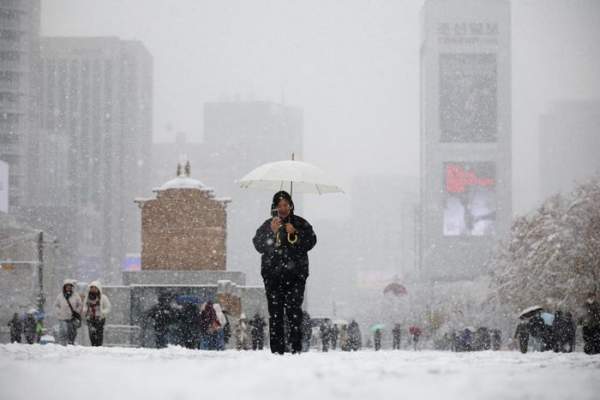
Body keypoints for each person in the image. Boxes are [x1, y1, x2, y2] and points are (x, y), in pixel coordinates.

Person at [253, 190, 317, 354]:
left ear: (291, 206)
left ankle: (296, 348)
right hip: (272, 277)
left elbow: (311, 241)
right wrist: (272, 232)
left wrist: (295, 233)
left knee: (294, 312)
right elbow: (258, 245)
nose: (283, 208)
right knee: (275, 314)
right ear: (274, 207)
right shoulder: (268, 224)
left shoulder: (300, 223)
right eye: (279, 205)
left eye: (286, 205)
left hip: (296, 277)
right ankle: (277, 350)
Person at [54, 279, 83, 345]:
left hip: (72, 318)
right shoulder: (60, 296)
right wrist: (59, 312)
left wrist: (76, 311)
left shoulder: (76, 295)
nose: (68, 287)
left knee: (72, 332)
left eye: (70, 286)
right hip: (62, 317)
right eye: (67, 286)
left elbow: (80, 304)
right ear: (64, 287)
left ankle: (70, 344)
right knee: (63, 330)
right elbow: (56, 305)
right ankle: (62, 344)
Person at [82, 281, 111, 347]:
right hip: (90, 318)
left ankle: (99, 346)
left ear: (98, 289)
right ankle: (93, 346)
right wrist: (85, 310)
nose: (93, 289)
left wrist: (103, 312)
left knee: (99, 334)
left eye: (95, 288)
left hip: (100, 318)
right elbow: (85, 306)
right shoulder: (87, 297)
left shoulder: (103, 297)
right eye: (92, 288)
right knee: (91, 334)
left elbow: (108, 307)